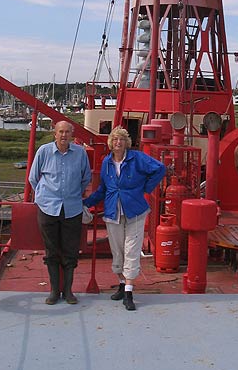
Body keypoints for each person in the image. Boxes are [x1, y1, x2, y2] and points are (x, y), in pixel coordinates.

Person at [84, 125, 166, 311]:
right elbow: (103, 189)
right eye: (115, 139)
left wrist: (145, 187)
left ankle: (129, 292)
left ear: (126, 142)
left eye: (121, 139)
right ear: (111, 143)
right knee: (117, 250)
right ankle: (121, 284)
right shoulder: (107, 162)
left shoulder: (136, 158)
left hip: (135, 210)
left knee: (131, 249)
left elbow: (160, 168)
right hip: (113, 210)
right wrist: (87, 202)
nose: (118, 142)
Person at [29, 120, 91, 305]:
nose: (64, 135)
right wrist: (44, 197)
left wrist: (73, 195)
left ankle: (68, 291)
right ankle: (54, 291)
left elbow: (85, 178)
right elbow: (34, 178)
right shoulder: (44, 151)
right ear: (55, 134)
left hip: (72, 209)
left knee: (71, 250)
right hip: (48, 208)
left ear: (72, 135)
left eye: (67, 132)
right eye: (61, 132)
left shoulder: (80, 153)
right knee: (51, 251)